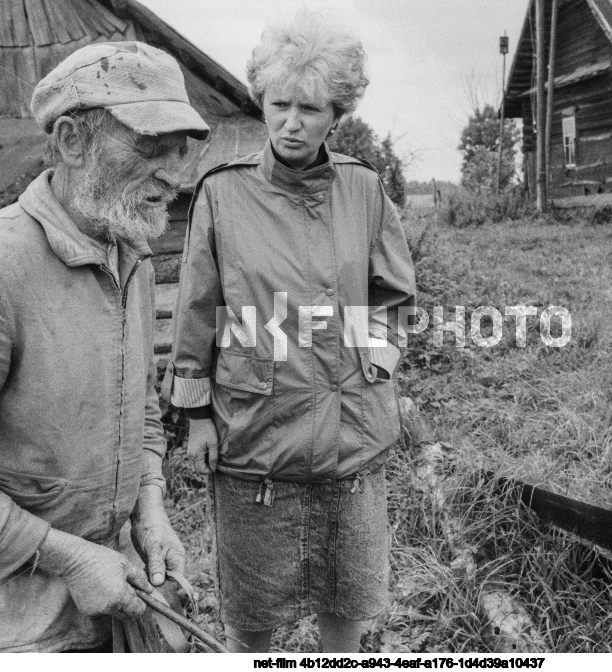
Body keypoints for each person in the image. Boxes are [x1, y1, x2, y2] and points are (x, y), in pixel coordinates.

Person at [0, 41, 210, 652]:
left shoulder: (132, 258)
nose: (174, 175)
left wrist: (149, 506)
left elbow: (141, 409)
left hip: (107, 601)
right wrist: (65, 557)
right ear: (72, 141)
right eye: (150, 147)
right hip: (1, 632)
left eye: (180, 150)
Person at [167, 12, 416, 653]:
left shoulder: (364, 188)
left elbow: (394, 296)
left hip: (350, 434)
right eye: (280, 105)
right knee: (251, 615)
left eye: (311, 108)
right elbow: (197, 309)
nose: (292, 123)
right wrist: (196, 417)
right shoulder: (222, 194)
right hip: (255, 430)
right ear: (262, 102)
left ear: (337, 112)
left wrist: (373, 365)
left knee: (347, 603)